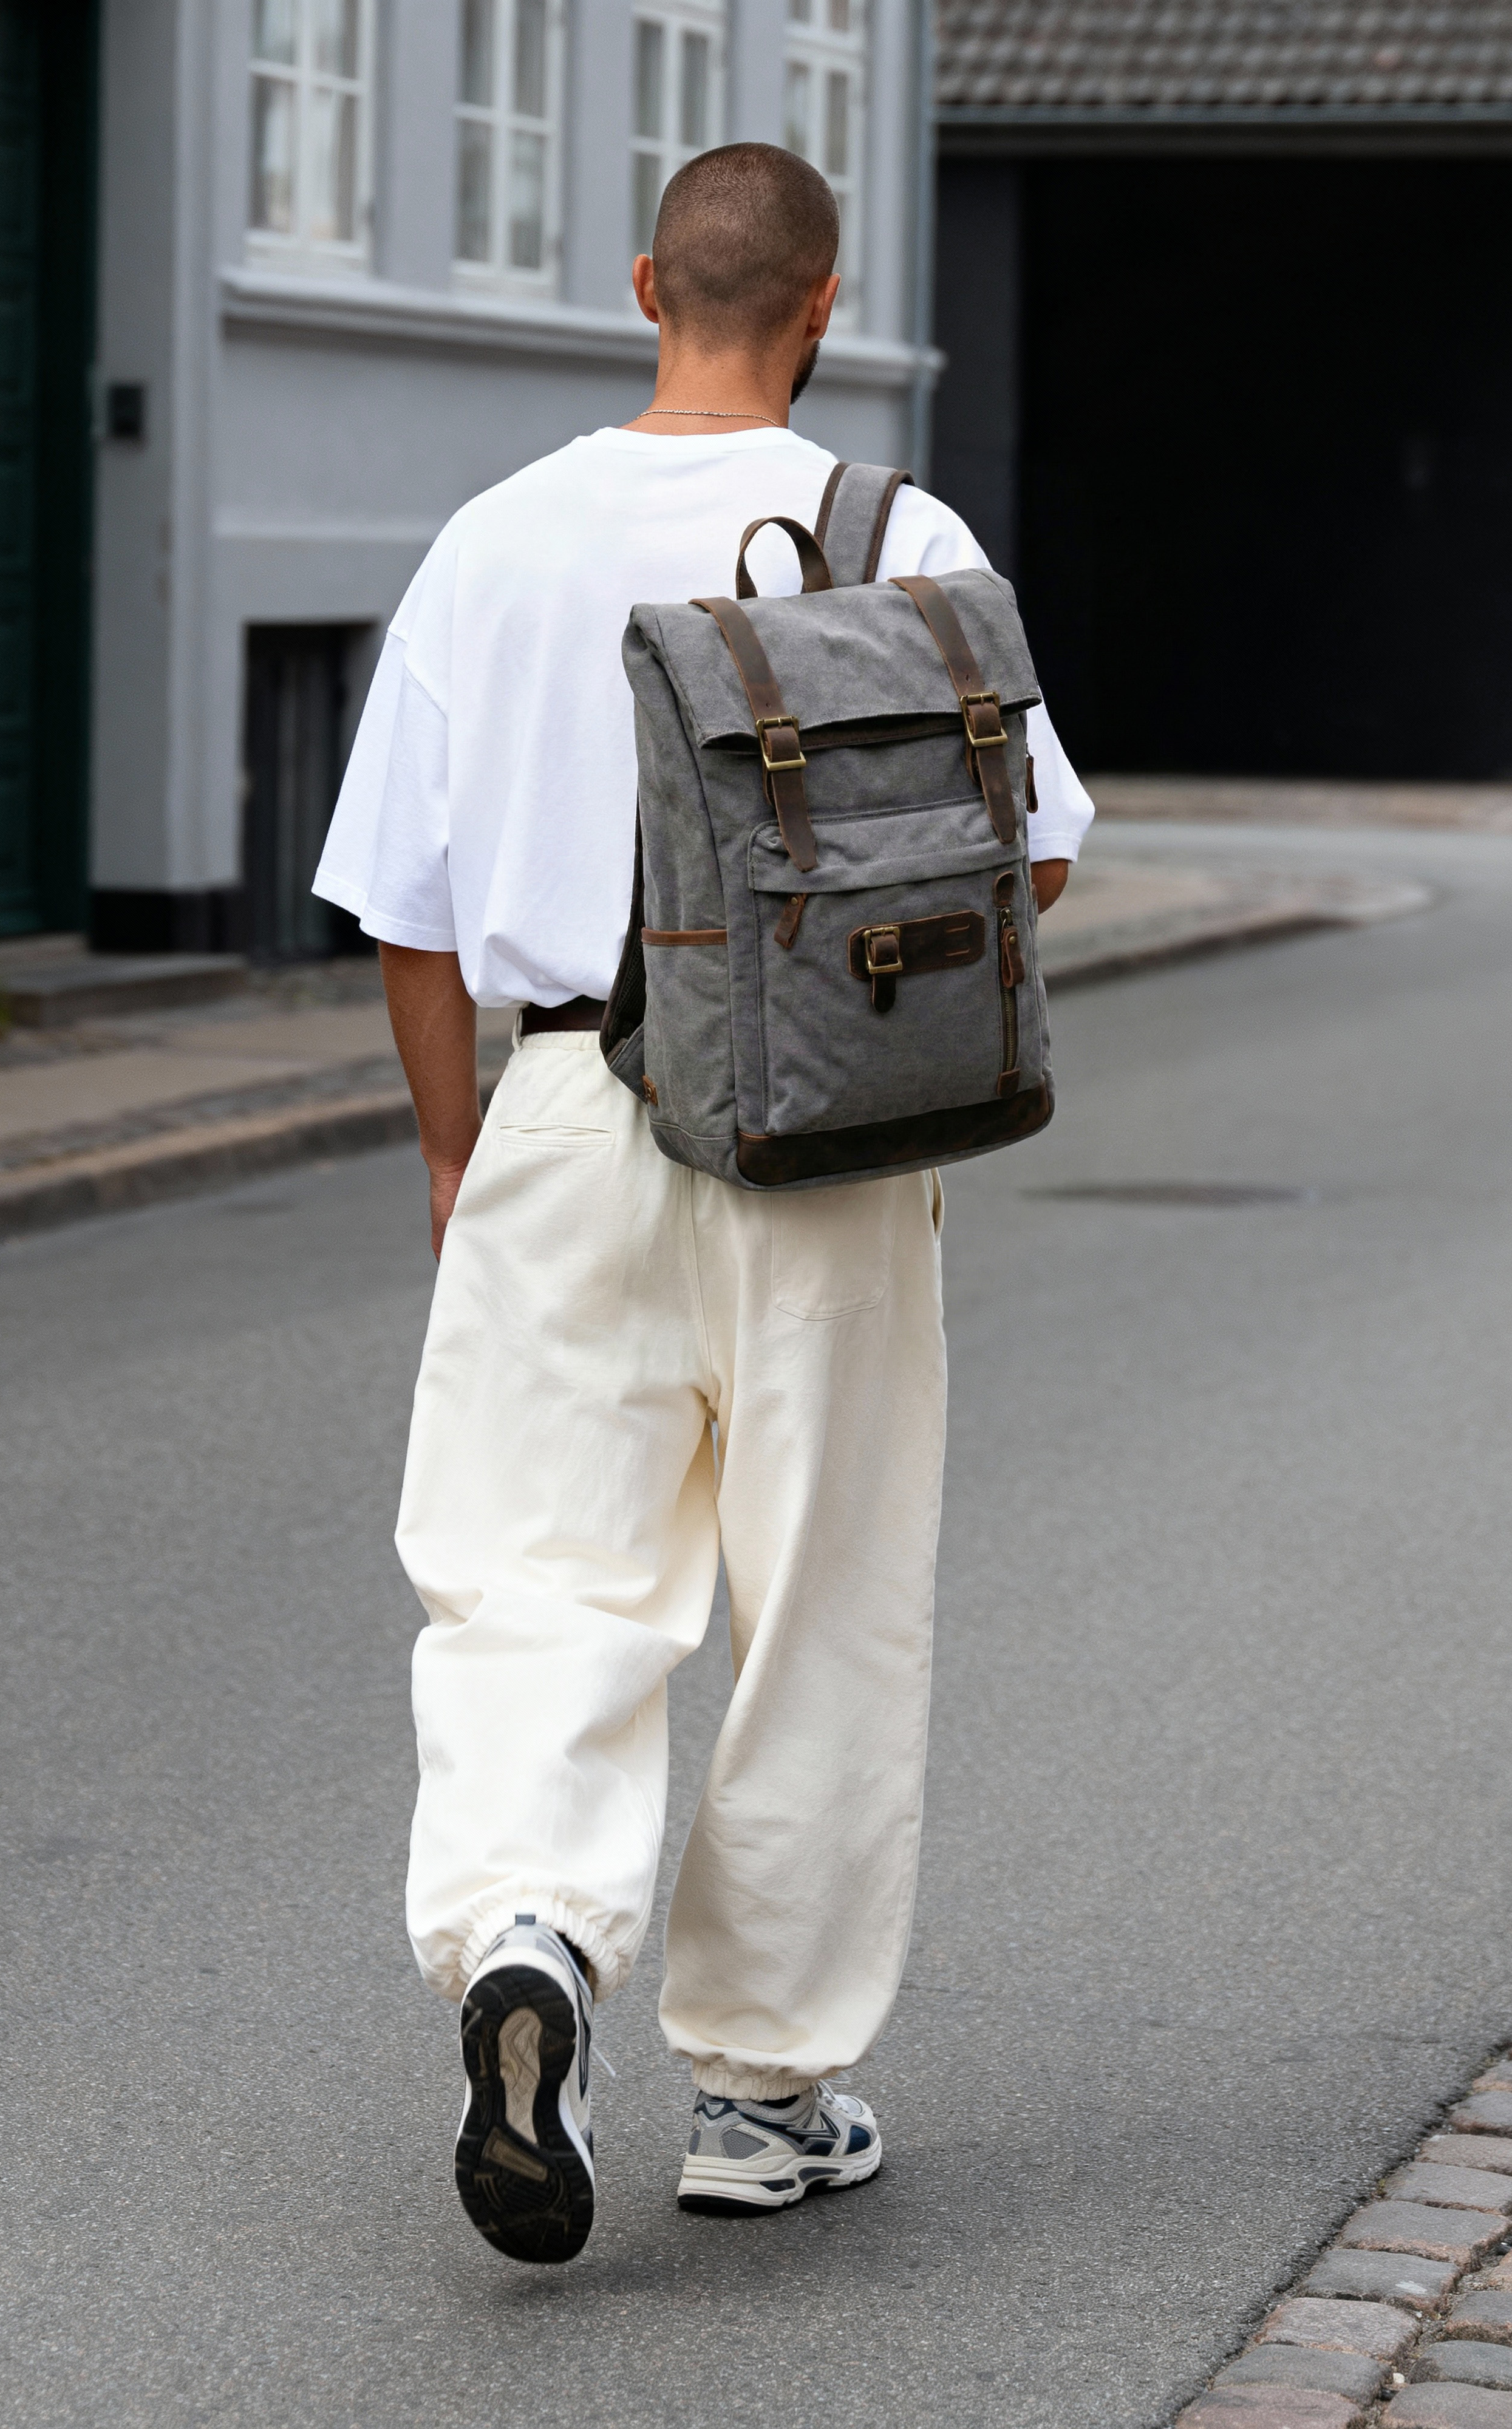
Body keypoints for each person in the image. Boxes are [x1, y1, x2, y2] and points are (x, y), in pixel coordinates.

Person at [310, 141, 1094, 2266]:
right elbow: (1021, 860)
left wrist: (459, 1146)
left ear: (643, 280)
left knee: (535, 1575)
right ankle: (761, 2093)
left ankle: (534, 1942)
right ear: (822, 307)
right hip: (829, 1143)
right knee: (822, 1596)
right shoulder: (898, 536)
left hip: (568, 1101)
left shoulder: (493, 542)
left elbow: (403, 902)